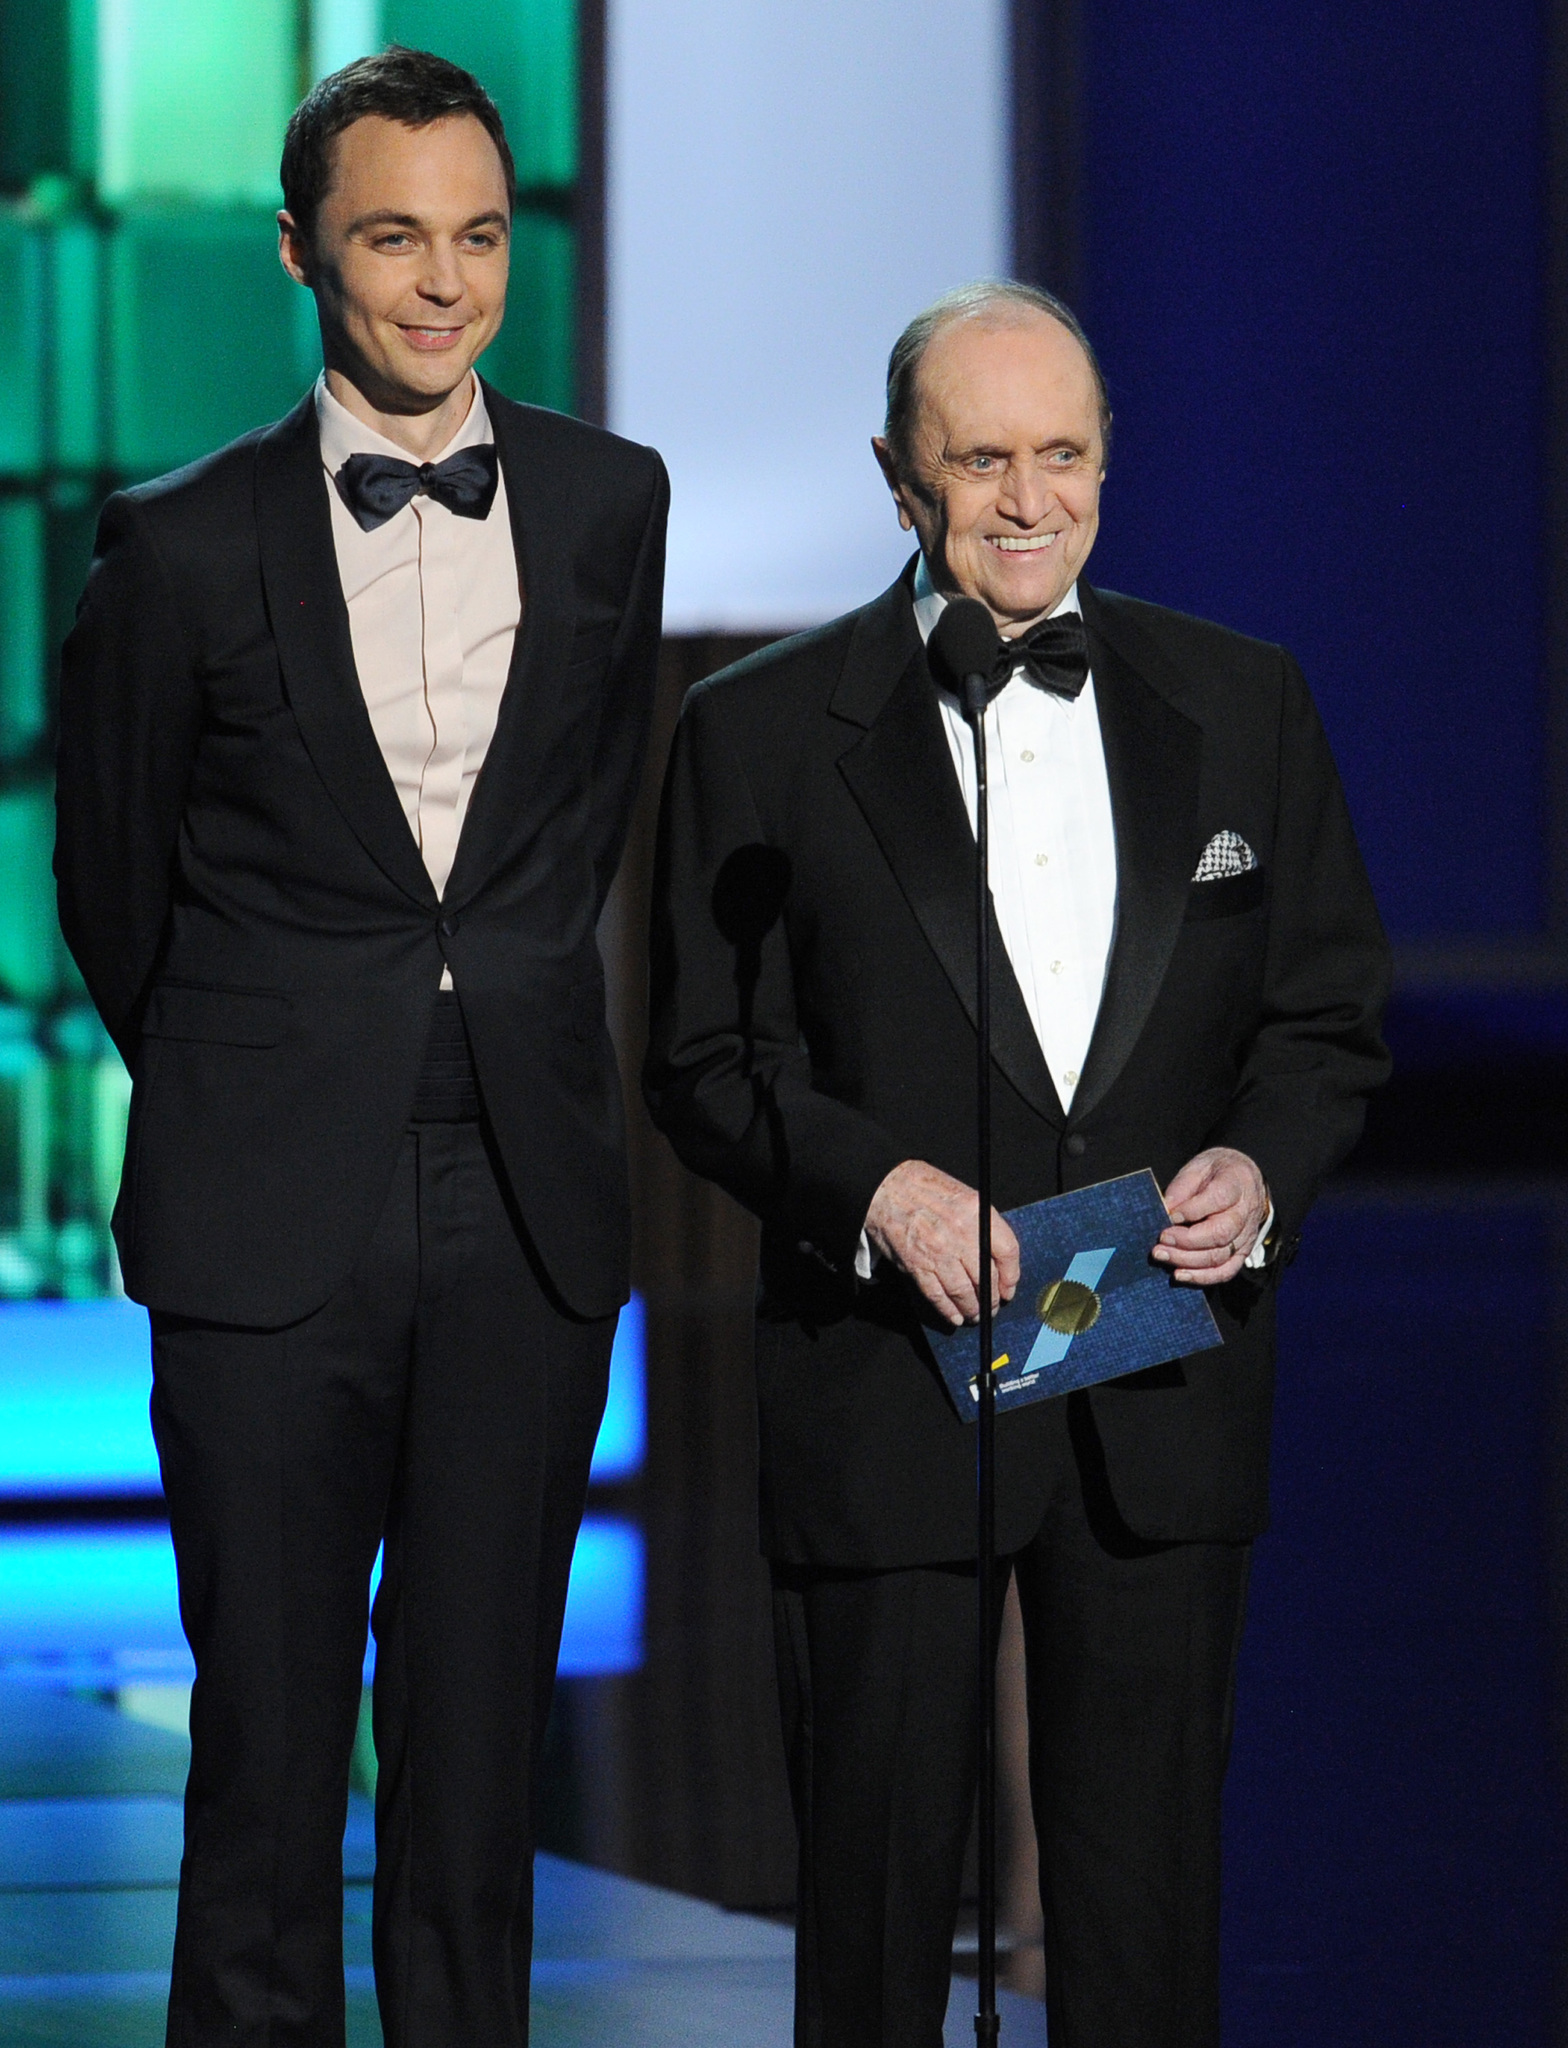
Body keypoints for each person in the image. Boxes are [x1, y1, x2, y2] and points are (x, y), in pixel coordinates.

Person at [644, 281, 1388, 2048]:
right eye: (982, 458)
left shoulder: (1242, 701)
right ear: (900, 479)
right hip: (889, 1382)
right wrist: (875, 1191)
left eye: (1064, 455)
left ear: (1110, 468)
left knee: (1146, 1926)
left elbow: (1327, 1015)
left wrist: (1258, 1173)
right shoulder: (762, 729)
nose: (1028, 497)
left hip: (1155, 1376)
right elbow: (701, 1063)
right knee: (879, 1921)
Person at [54, 46, 667, 2048]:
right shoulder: (182, 543)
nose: (442, 283)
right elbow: (114, 887)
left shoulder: (604, 502)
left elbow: (580, 826)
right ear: (306, 251)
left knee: (481, 1761)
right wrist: (264, 1064)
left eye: (477, 236)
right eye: (395, 236)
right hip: (267, 1204)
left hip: (524, 1194)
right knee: (266, 1757)